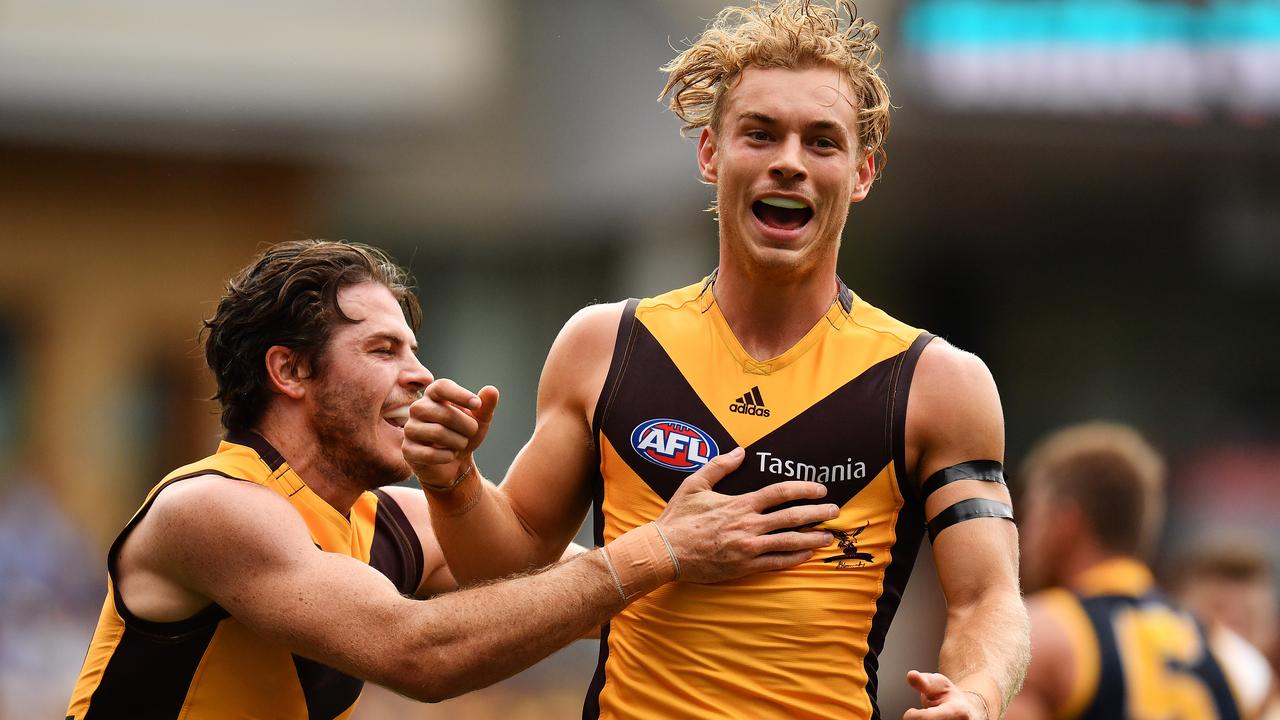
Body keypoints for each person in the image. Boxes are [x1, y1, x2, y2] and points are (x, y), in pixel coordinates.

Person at [402, 2, 1029, 718]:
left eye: (822, 142)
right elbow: (507, 568)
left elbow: (988, 599)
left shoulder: (935, 383)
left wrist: (978, 695)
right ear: (710, 153)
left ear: (862, 172)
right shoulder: (606, 346)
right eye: (759, 134)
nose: (789, 161)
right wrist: (451, 482)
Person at [65, 240, 840, 719]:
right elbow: (420, 656)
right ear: (289, 371)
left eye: (414, 349)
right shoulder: (212, 508)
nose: (421, 375)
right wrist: (660, 548)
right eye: (382, 352)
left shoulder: (394, 518)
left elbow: (609, 598)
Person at [1008, 421, 1274, 720]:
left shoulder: (1040, 635)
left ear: (1065, 523)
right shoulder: (1233, 660)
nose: (1023, 534)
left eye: (1032, 514)